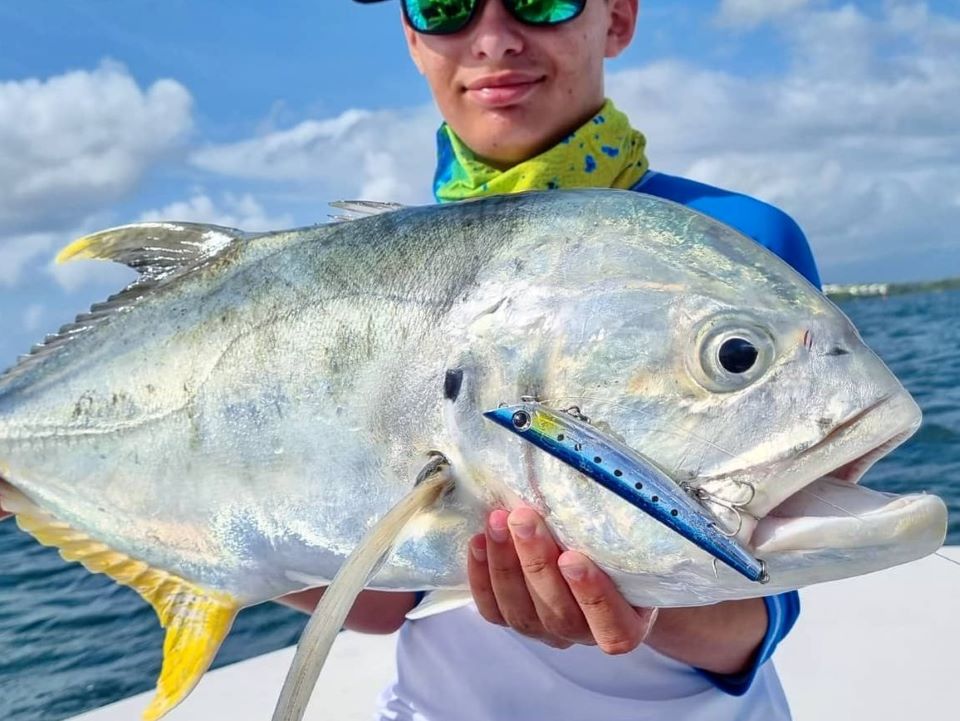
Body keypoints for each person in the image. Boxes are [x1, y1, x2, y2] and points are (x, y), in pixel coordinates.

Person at [279, 1, 819, 720]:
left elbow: (765, 606)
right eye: (445, 6)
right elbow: (382, 600)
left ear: (618, 18)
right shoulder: (368, 288)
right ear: (413, 38)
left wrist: (637, 599)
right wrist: (161, 528)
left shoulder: (728, 246)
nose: (494, 41)